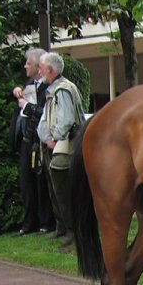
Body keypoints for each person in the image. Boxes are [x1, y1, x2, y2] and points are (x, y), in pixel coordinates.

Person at [37, 52, 85, 247]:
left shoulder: (62, 89)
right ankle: (62, 227)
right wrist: (47, 138)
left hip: (65, 147)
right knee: (54, 188)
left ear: (50, 69)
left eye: (41, 67)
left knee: (63, 189)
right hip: (56, 145)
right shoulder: (54, 90)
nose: (39, 71)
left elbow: (65, 121)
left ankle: (72, 230)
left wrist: (53, 138)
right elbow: (44, 122)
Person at [12, 47, 55, 236]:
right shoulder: (29, 84)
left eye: (28, 63)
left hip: (40, 140)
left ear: (39, 67)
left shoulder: (49, 88)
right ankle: (28, 223)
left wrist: (27, 106)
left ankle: (45, 222)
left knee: (41, 181)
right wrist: (17, 91)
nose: (25, 66)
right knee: (27, 182)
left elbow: (45, 114)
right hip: (26, 140)